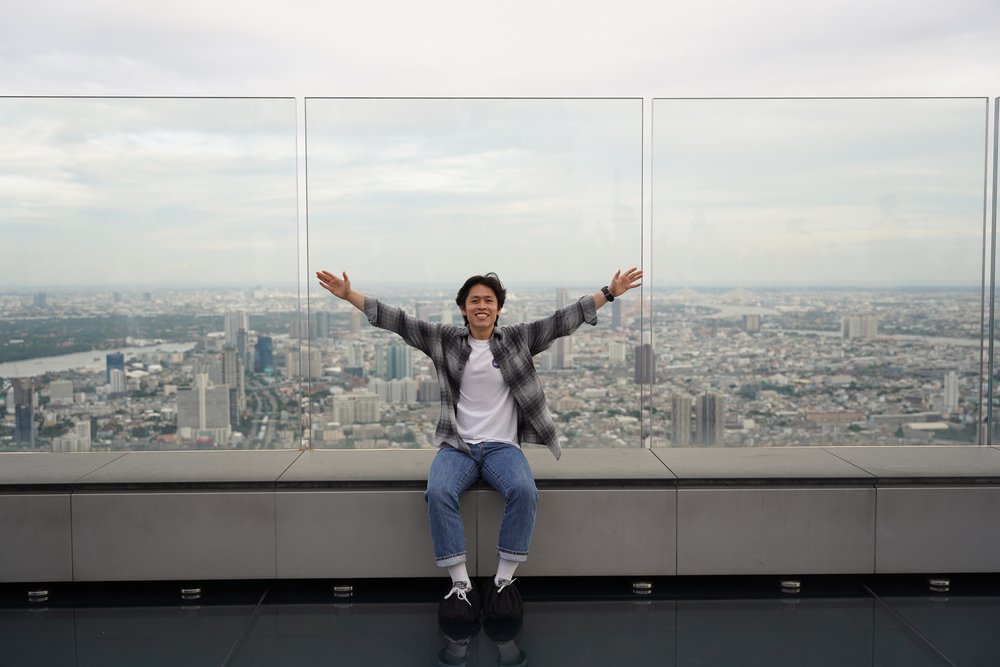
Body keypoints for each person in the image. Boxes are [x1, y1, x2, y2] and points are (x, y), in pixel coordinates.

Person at [316, 267, 642, 624]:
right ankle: (461, 585)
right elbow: (400, 321)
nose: (482, 306)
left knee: (524, 491)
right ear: (463, 309)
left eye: (489, 300)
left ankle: (503, 580)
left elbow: (561, 320)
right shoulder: (444, 339)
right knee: (439, 491)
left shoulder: (517, 338)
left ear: (499, 308)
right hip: (458, 445)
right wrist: (350, 295)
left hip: (503, 447)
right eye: (475, 301)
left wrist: (608, 294)